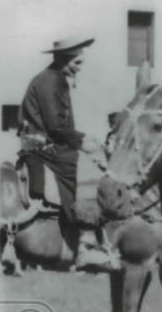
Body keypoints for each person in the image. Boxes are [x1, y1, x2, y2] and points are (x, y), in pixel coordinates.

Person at [17, 36, 115, 270]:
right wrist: (83, 141)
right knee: (88, 170)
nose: (81, 68)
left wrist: (83, 139)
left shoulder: (55, 79)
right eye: (78, 63)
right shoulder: (49, 82)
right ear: (63, 59)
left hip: (49, 143)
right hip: (43, 147)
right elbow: (56, 126)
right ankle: (86, 245)